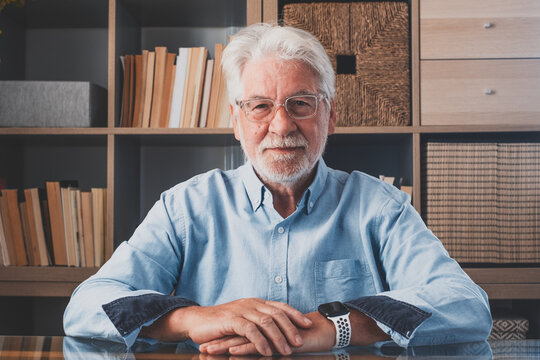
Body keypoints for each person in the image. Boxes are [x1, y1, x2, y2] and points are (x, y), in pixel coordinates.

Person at [63, 23, 492, 356]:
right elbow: (87, 307)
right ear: (236, 120)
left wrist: (335, 328)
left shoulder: (380, 207)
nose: (282, 125)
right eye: (260, 106)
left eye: (301, 103)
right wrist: (192, 319)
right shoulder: (185, 207)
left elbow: (466, 306)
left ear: (330, 116)